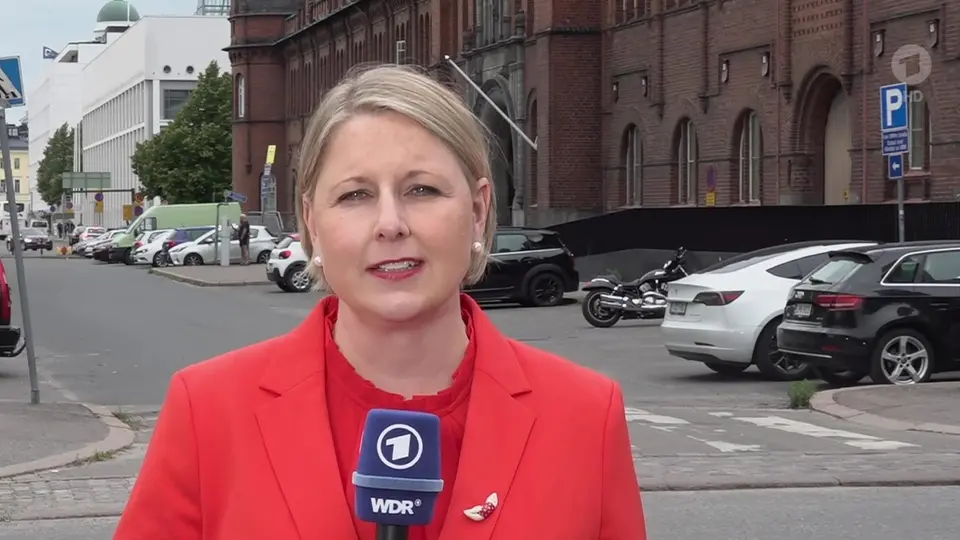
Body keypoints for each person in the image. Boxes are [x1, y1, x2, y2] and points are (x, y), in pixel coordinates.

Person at [113, 64, 646, 540]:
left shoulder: (584, 415)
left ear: (479, 210)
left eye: (422, 190)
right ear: (312, 223)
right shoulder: (209, 411)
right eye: (355, 195)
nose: (391, 224)